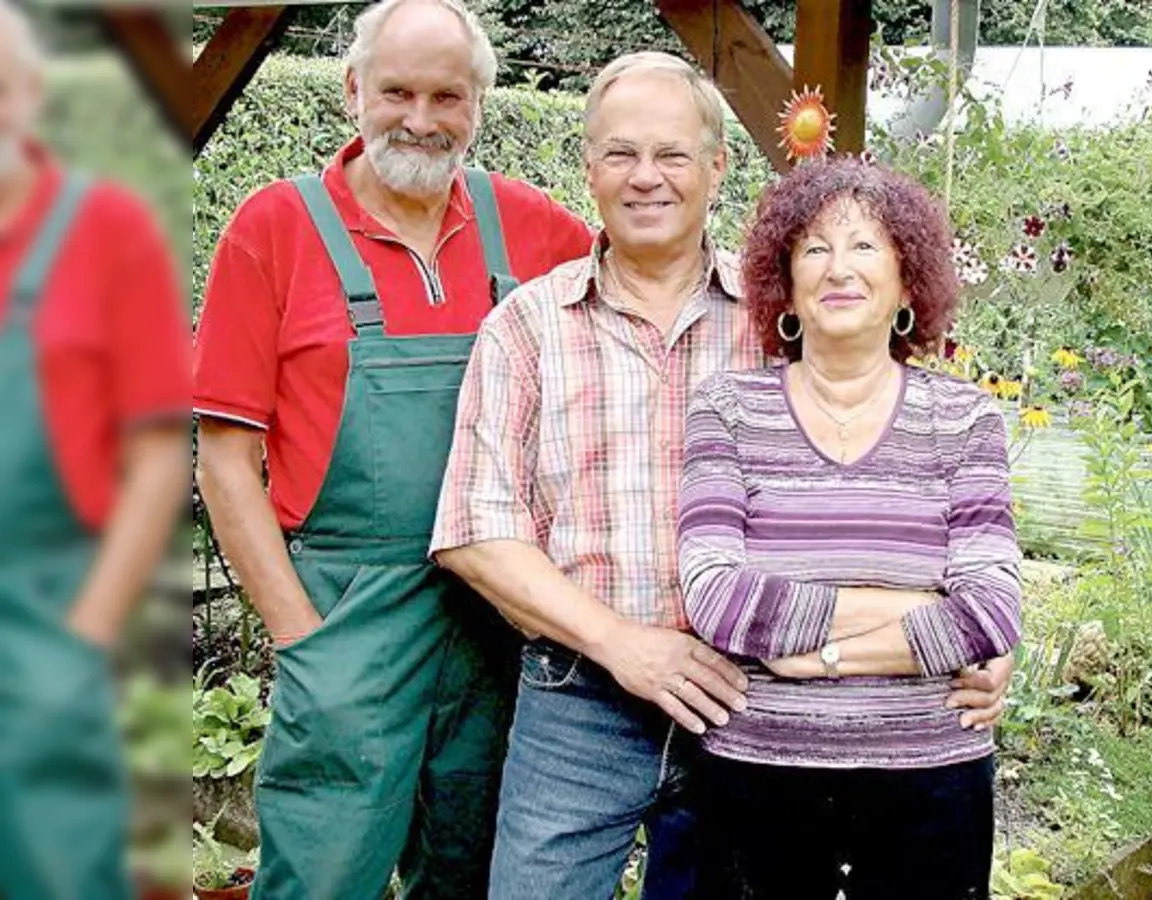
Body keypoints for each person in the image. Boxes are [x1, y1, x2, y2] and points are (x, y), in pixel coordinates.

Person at [430, 51, 1014, 899]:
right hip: (580, 699)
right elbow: (477, 532)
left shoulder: (792, 314)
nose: (646, 178)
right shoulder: (527, 326)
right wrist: (623, 646)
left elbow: (914, 504)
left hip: (756, 702)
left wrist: (959, 646)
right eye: (621, 155)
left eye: (672, 155)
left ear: (717, 168)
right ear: (588, 170)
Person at [191, 0, 592, 895]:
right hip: (347, 611)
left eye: (447, 95)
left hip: (494, 614)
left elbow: (653, 279)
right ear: (351, 92)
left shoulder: (532, 229)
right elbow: (225, 460)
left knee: (475, 867)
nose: (420, 117)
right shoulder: (274, 230)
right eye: (397, 90)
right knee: (323, 874)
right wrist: (302, 638)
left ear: (479, 105)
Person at [676, 155, 1024, 899]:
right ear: (786, 284)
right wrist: (921, 611)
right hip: (759, 772)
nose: (840, 269)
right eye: (815, 248)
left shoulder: (965, 419)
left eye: (866, 246)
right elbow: (718, 601)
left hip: (932, 775)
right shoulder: (728, 410)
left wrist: (816, 655)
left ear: (907, 282)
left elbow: (992, 608)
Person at [0, 3, 192, 897]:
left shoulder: (107, 233)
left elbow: (159, 457)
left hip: (50, 612)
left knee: (55, 866)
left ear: (30, 95)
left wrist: (84, 639)